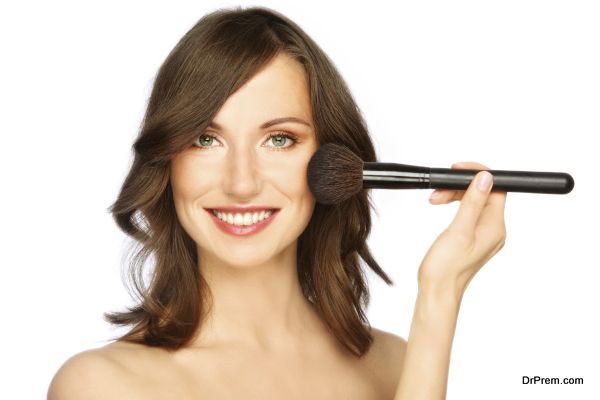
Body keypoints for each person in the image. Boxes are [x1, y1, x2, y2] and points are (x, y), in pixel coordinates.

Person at [48, 6, 507, 399]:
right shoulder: (102, 385)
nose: (242, 183)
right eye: (206, 139)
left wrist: (441, 293)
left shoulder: (394, 365)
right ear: (167, 161)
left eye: (279, 139)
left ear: (332, 161)